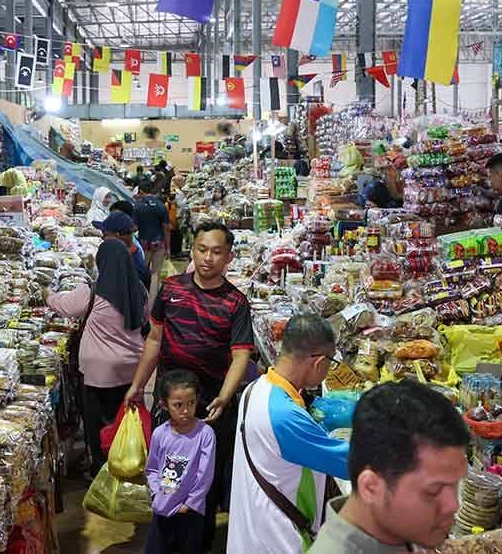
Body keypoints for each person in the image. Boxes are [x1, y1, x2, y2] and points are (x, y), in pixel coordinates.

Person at [125, 222, 253, 551]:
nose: (208, 258)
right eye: (202, 249)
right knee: (168, 475)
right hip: (171, 403)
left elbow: (240, 357)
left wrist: (225, 398)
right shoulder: (170, 289)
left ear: (229, 257)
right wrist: (138, 384)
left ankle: (197, 543)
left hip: (211, 407)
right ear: (192, 250)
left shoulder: (236, 303)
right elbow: (154, 339)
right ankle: (165, 536)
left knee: (204, 482)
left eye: (217, 251)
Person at [228, 314, 350, 553]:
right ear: (318, 362)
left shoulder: (256, 388)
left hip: (251, 534)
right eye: (331, 363)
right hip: (279, 541)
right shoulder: (284, 416)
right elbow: (349, 462)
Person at [311, 382, 470, 553]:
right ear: (371, 487)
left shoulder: (398, 533)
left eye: (456, 484)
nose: (453, 505)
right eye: (433, 490)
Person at [47, 239, 149, 477]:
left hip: (98, 371)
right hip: (132, 366)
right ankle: (128, 463)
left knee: (97, 423)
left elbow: (63, 306)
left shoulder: (91, 291)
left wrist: (47, 294)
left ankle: (101, 469)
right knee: (125, 418)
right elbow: (144, 320)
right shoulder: (139, 290)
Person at [145, 370, 217, 554]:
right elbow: (152, 468)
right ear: (164, 405)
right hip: (163, 506)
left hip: (190, 511)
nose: (185, 410)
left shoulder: (205, 434)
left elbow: (205, 474)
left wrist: (190, 503)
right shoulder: (160, 433)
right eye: (178, 405)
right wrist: (156, 493)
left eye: (191, 403)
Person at [94, 210, 151, 290]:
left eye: (105, 234)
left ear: (117, 235)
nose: (103, 238)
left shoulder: (133, 267)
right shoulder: (125, 254)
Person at [135, 180, 170, 292]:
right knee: (156, 274)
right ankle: (153, 300)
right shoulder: (161, 206)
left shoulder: (138, 206)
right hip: (159, 243)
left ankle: (142, 297)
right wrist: (168, 247)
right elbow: (166, 228)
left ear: (141, 191)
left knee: (142, 272)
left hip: (144, 244)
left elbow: (134, 227)